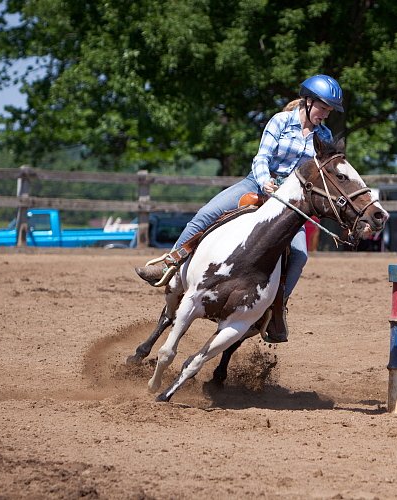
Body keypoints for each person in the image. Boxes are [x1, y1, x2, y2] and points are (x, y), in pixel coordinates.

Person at [136, 74, 344, 342]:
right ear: (307, 101)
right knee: (206, 215)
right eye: (322, 108)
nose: (325, 115)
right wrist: (265, 181)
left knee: (300, 255)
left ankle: (276, 308)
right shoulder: (280, 121)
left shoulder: (323, 136)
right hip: (256, 186)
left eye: (328, 110)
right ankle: (170, 264)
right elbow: (262, 157)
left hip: (290, 204)